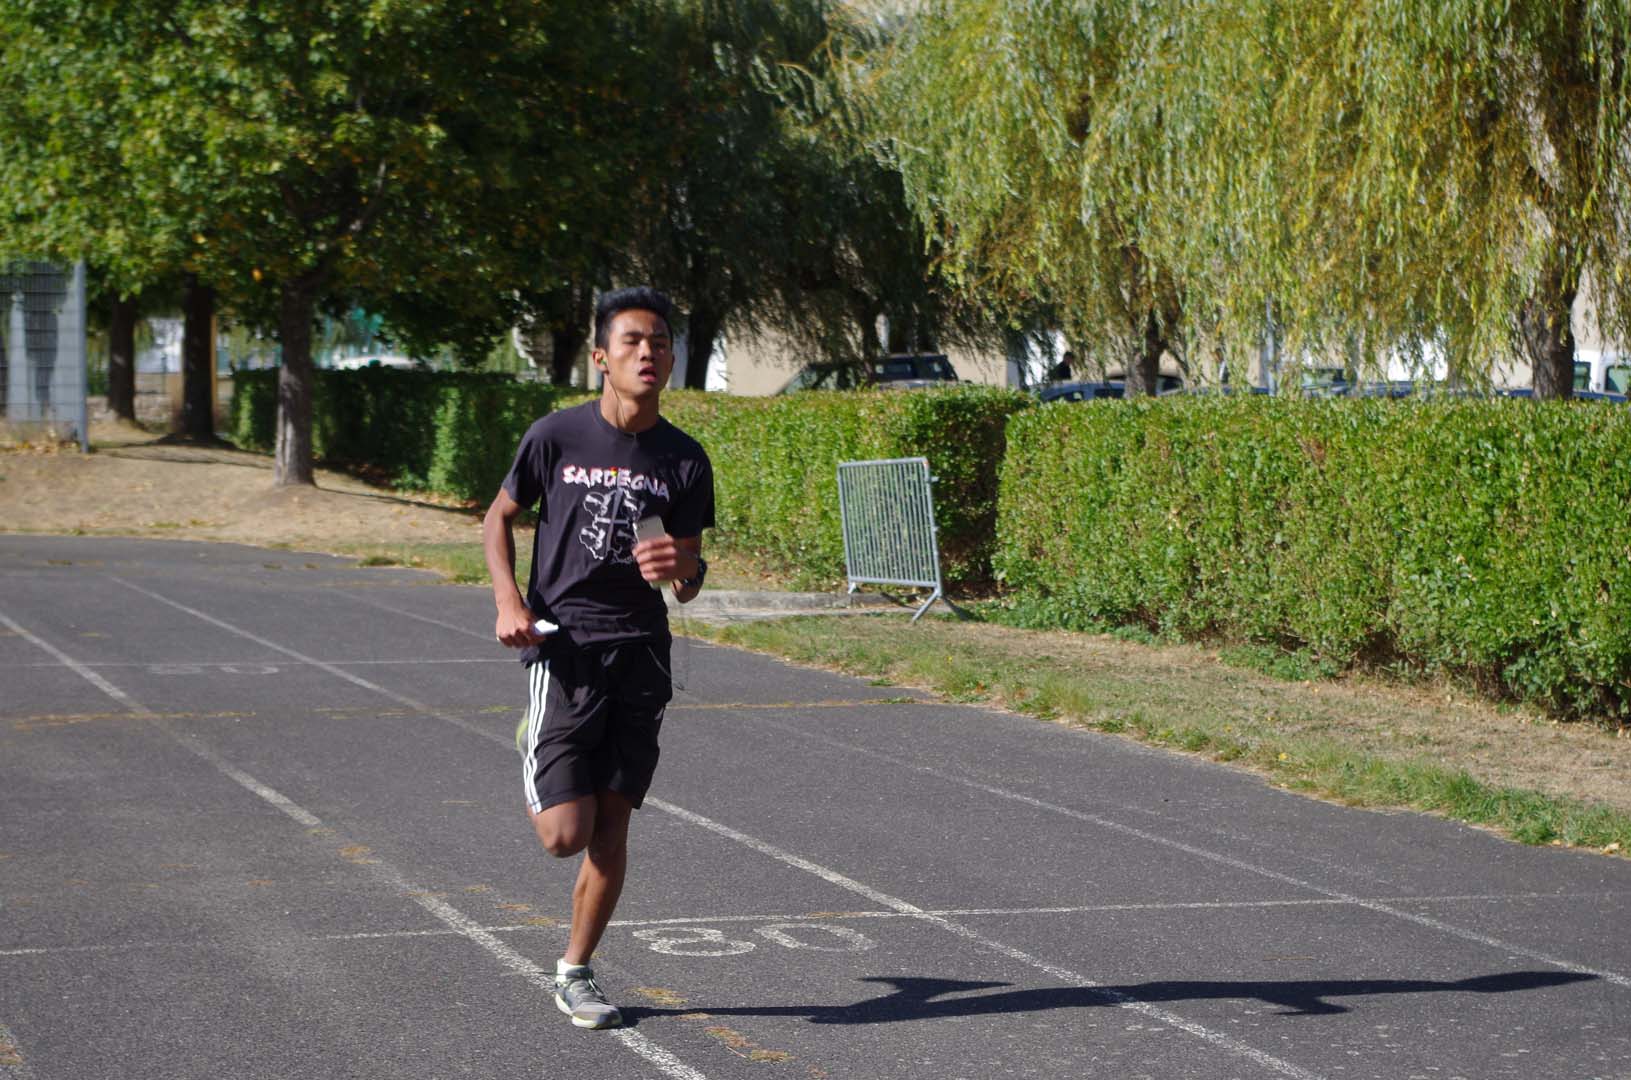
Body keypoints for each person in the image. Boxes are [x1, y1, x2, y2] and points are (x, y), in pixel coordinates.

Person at [483, 286, 714, 1030]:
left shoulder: (682, 458)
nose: (649, 353)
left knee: (613, 822)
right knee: (563, 836)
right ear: (601, 358)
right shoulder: (556, 436)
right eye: (633, 342)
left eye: (661, 343)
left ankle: (575, 972)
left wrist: (678, 565)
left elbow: (690, 580)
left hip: (641, 651)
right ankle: (536, 738)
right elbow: (499, 516)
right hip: (565, 645)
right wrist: (508, 604)